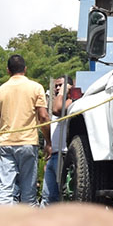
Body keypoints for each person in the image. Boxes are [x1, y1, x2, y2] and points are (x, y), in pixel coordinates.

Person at [0, 54, 50, 207]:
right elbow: (43, 117)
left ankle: (4, 225)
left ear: (8, 71)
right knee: (28, 192)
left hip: (5, 143)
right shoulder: (36, 88)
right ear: (25, 69)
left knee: (5, 190)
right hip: (28, 143)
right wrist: (48, 142)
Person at [42, 76, 71, 206]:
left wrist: (63, 92)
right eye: (56, 86)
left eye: (61, 85)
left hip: (64, 156)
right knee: (47, 196)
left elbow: (57, 110)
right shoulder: (56, 102)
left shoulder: (71, 102)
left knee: (63, 197)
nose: (57, 88)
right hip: (53, 157)